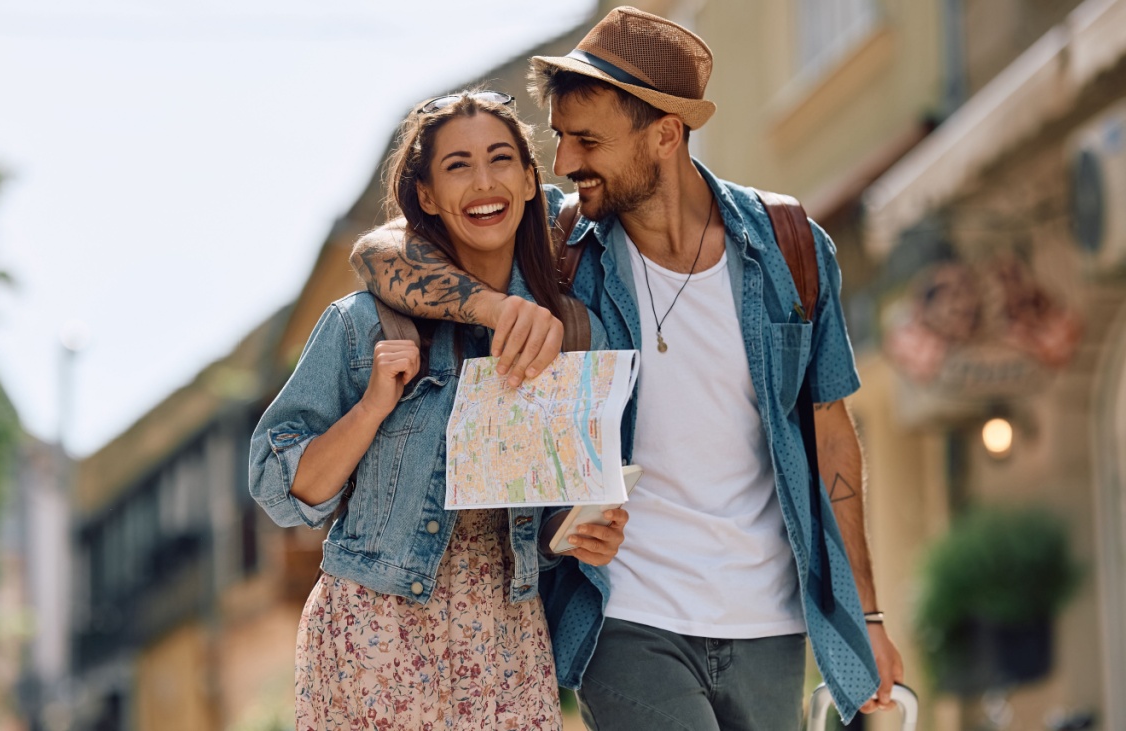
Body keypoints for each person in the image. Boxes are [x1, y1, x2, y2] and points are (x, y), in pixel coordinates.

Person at [349, 7, 905, 730]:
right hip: (625, 615)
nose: (564, 161)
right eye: (560, 136)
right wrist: (493, 306)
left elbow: (831, 435)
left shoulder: (789, 247)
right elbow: (378, 252)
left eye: (587, 140)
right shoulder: (558, 242)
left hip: (769, 621)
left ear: (665, 135)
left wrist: (866, 615)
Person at [249, 90, 625, 730]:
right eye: (458, 165)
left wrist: (578, 531)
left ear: (529, 180)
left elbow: (551, 508)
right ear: (426, 195)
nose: (484, 183)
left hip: (507, 641)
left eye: (500, 159)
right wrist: (373, 406)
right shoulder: (362, 324)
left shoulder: (575, 334)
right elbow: (278, 490)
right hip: (374, 633)